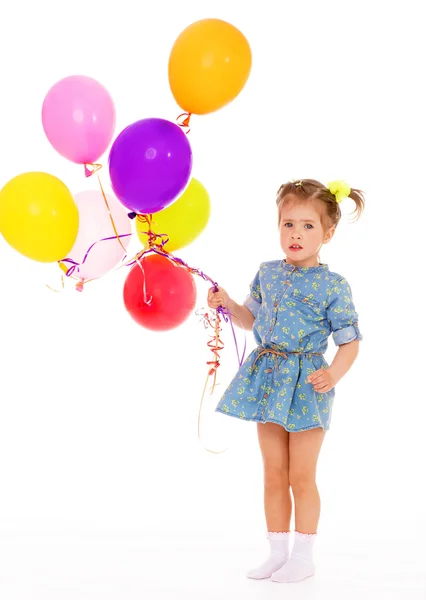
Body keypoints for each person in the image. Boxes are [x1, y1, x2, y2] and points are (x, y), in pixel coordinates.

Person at [207, 179, 364, 584]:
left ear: (327, 233)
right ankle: (277, 551)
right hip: (269, 378)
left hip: (308, 384)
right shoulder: (267, 273)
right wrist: (227, 303)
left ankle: (304, 554)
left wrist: (332, 374)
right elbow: (250, 319)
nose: (295, 234)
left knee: (301, 475)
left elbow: (350, 342)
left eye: (308, 226)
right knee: (273, 471)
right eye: (288, 224)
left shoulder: (333, 286)